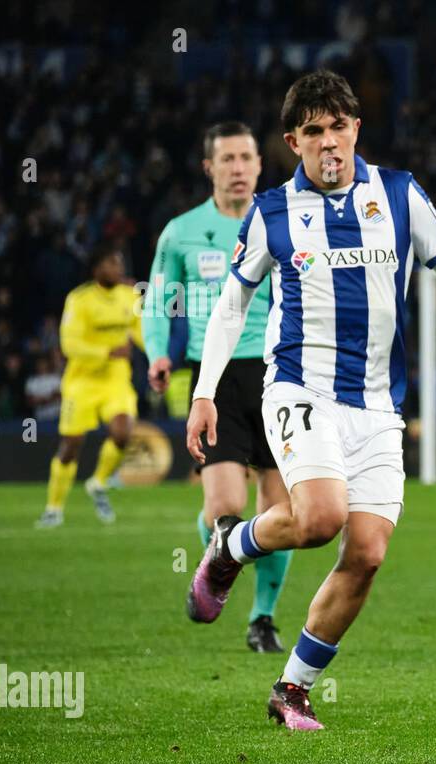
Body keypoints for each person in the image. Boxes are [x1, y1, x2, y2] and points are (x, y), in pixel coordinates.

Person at [185, 70, 436, 730]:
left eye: (340, 127)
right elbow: (231, 307)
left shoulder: (400, 193)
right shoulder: (272, 213)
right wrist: (205, 392)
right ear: (294, 141)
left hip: (379, 406)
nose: (330, 142)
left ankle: (291, 688)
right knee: (320, 518)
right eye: (315, 132)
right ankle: (230, 550)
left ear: (357, 129)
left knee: (368, 553)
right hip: (302, 389)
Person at [143, 121, 294, 652]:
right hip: (216, 378)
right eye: (226, 159)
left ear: (259, 164)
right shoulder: (181, 232)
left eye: (246, 158)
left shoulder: (285, 220)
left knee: (283, 514)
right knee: (224, 513)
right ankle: (218, 562)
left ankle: (262, 619)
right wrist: (159, 351)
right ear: (210, 167)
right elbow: (157, 300)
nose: (237, 168)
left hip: (281, 375)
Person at [36, 245, 141, 528]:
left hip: (115, 379)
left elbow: (141, 330)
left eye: (120, 263)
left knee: (123, 431)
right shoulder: (79, 299)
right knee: (72, 445)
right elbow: (69, 344)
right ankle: (54, 507)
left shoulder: (129, 295)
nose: (118, 269)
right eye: (112, 263)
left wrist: (159, 356)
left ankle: (98, 482)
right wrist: (106, 352)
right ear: (97, 268)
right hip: (82, 381)